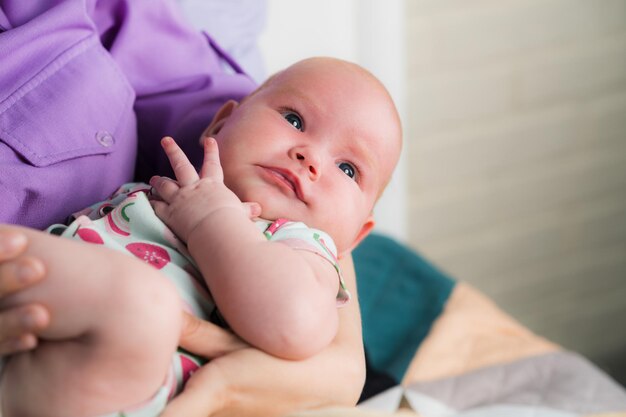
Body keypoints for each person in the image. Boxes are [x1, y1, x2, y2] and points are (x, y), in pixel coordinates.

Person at [0, 56, 402, 416]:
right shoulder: (174, 187)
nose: (310, 157)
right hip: (36, 335)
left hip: (114, 385)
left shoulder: (301, 248)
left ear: (356, 236)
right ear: (221, 124)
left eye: (348, 169)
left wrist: (212, 219)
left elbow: (294, 324)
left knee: (142, 304)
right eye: (294, 120)